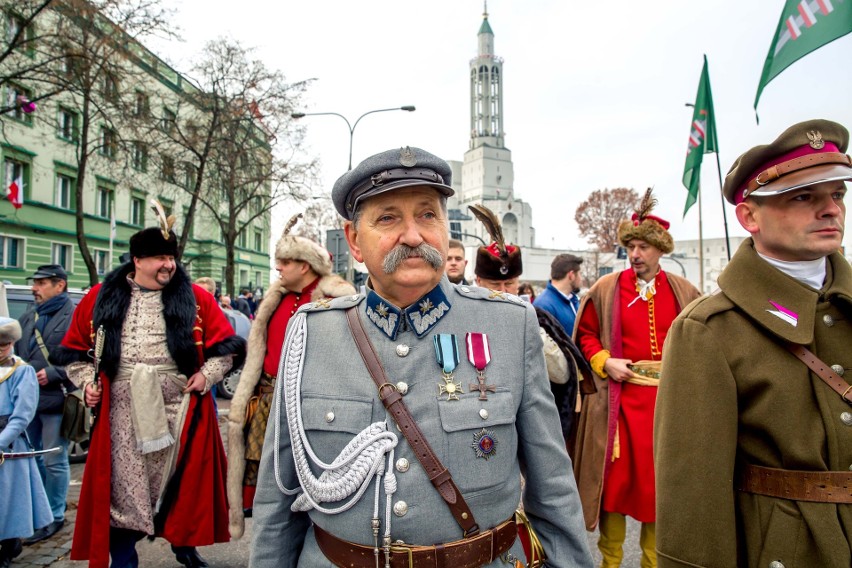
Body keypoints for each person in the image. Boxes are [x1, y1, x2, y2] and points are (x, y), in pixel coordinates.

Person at [250, 147, 593, 567]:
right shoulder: (311, 333)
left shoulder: (509, 324)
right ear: (355, 241)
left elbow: (553, 489)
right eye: (389, 217)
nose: (413, 235)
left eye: (428, 215)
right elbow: (278, 496)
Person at [655, 119, 852, 568]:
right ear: (749, 217)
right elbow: (693, 500)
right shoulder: (709, 329)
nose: (831, 210)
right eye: (804, 197)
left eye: (837, 194)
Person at [54, 214, 246, 568]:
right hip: (120, 418)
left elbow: (229, 348)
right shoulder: (100, 297)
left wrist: (207, 375)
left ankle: (184, 547)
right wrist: (87, 384)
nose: (168, 265)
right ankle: (124, 559)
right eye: (160, 258)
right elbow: (72, 352)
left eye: (171, 258)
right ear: (138, 261)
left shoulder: (196, 298)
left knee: (181, 487)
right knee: (123, 492)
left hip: (181, 413)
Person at [573, 189, 700, 568]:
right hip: (619, 408)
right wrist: (605, 361)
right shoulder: (606, 288)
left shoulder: (684, 291)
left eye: (644, 247)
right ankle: (609, 563)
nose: (636, 254)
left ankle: (653, 562)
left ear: (660, 250)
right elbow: (586, 335)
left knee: (658, 491)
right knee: (614, 488)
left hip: (667, 409)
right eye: (632, 246)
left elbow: (700, 340)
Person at [226, 214, 355, 539]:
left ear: (305, 265)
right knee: (268, 486)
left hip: (311, 408)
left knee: (310, 484)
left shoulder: (335, 299)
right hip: (268, 401)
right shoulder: (276, 298)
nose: (279, 269)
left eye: (285, 262)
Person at [470, 203, 591, 447]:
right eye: (495, 285)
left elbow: (562, 373)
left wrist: (531, 328)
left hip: (528, 427)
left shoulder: (536, 318)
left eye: (510, 284)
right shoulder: (464, 317)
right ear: (478, 281)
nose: (504, 293)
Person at [15, 264, 75, 544]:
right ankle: (38, 512)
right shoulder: (30, 315)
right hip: (29, 401)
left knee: (54, 459)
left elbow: (86, 359)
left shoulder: (72, 316)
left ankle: (54, 514)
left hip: (57, 399)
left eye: (40, 283)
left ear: (59, 285)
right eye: (34, 283)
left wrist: (54, 373)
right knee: (32, 459)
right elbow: (17, 352)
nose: (34, 288)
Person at [0, 317, 53, 568]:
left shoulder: (22, 371)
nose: (1, 348)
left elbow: (22, 415)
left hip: (8, 444)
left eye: (5, 344)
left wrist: (1, 442)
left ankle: (8, 546)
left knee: (8, 499)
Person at [534, 253, 584, 335]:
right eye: (579, 274)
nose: (581, 279)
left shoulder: (573, 300)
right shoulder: (543, 305)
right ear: (571, 275)